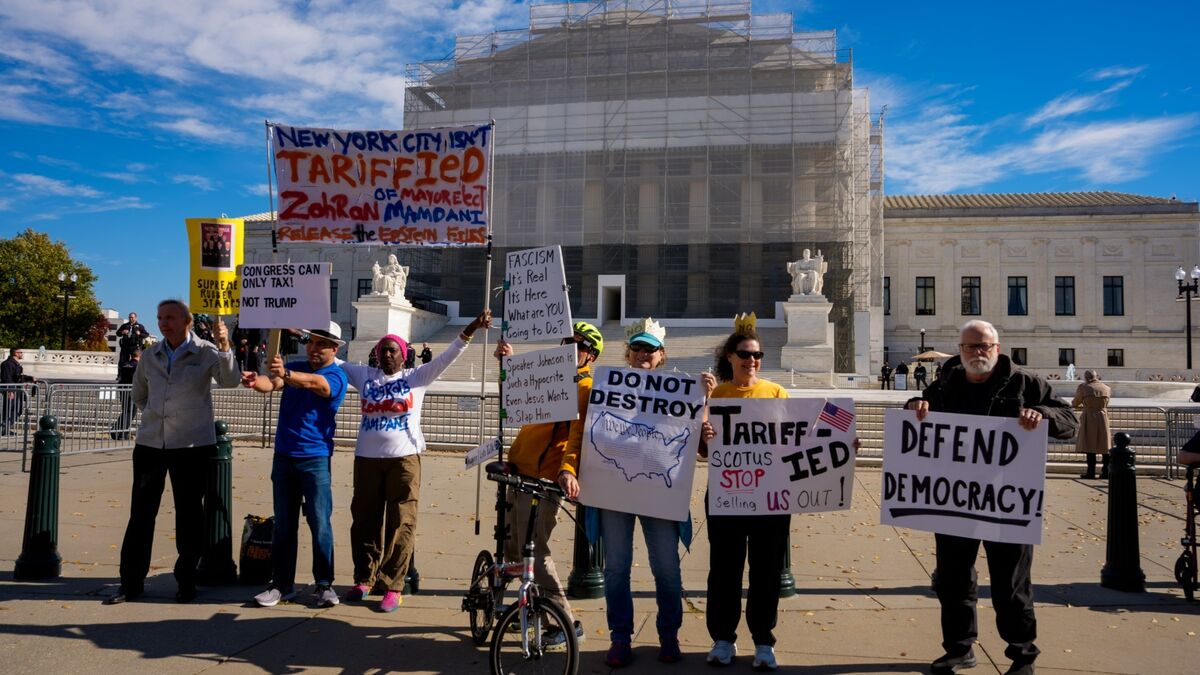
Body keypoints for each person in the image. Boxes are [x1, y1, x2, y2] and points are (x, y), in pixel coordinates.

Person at [905, 319, 1076, 675]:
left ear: (997, 348)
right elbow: (923, 409)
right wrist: (915, 405)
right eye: (971, 347)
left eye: (985, 346)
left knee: (1011, 584)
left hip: (1006, 500)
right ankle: (959, 648)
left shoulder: (1025, 382)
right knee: (953, 580)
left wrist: (1041, 413)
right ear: (961, 350)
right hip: (954, 501)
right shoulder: (947, 382)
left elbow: (1069, 420)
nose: (978, 352)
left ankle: (1022, 655)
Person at [339, 311, 492, 612]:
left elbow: (450, 355)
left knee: (401, 522)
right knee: (365, 521)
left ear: (403, 355)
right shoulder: (364, 376)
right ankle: (364, 579)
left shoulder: (416, 378)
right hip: (367, 460)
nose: (385, 354)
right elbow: (332, 360)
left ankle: (393, 584)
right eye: (382, 350)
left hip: (404, 460)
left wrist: (472, 326)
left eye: (392, 350)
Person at [560, 318, 687, 666]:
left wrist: (703, 400)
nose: (643, 354)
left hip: (657, 494)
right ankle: (620, 637)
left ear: (661, 356)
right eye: (637, 348)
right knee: (616, 568)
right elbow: (578, 432)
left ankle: (668, 634)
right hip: (614, 490)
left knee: (666, 569)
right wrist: (568, 467)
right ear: (628, 353)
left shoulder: (680, 391)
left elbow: (691, 443)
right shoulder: (604, 386)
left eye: (650, 349)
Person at [106, 299, 239, 604]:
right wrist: (157, 415)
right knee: (140, 514)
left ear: (186, 321)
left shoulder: (206, 350)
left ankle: (186, 580)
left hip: (191, 445)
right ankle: (131, 582)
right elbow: (139, 394)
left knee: (189, 515)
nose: (163, 323)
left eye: (169, 318)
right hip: (152, 443)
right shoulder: (151, 355)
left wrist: (225, 346)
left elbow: (230, 381)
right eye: (160, 318)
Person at [496, 319, 599, 646]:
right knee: (514, 549)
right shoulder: (548, 377)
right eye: (567, 342)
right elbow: (520, 408)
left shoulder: (585, 388)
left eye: (580, 345)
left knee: (535, 552)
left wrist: (568, 469)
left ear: (590, 356)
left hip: (545, 480)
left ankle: (564, 622)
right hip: (518, 471)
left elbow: (577, 437)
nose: (571, 349)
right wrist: (508, 364)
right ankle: (534, 610)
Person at [697, 317, 789, 671]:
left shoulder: (776, 392)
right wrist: (704, 435)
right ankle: (722, 639)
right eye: (745, 354)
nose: (752, 360)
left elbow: (797, 440)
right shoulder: (717, 395)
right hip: (727, 494)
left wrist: (839, 442)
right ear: (730, 357)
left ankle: (763, 641)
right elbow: (705, 452)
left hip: (769, 497)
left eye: (757, 355)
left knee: (766, 571)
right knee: (724, 570)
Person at [244, 322, 350, 609]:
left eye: (321, 344)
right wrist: (257, 381)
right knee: (285, 525)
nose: (314, 348)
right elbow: (273, 383)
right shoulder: (296, 365)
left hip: (315, 458)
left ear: (334, 349)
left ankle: (324, 585)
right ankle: (282, 584)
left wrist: (286, 373)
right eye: (312, 342)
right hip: (284, 456)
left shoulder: (336, 375)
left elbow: (317, 385)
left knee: (320, 523)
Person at [1073, 370, 1113, 479]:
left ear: (1086, 377)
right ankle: (1106, 472)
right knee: (1105, 446)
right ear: (1097, 377)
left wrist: (1083, 406)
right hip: (1103, 416)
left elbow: (1075, 403)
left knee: (1089, 445)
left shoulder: (1083, 387)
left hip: (1089, 416)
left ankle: (1090, 472)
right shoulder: (1106, 388)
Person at [1, 348, 35, 435]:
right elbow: (6, 378)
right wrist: (10, 390)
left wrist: (31, 378)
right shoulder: (7, 364)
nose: (22, 354)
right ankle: (4, 429)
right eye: (21, 352)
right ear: (16, 353)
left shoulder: (16, 364)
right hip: (12, 390)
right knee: (10, 409)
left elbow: (19, 376)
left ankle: (5, 429)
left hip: (17, 390)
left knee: (17, 410)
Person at [111, 348, 141, 440]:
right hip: (132, 391)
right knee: (130, 412)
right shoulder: (138, 366)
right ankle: (121, 433)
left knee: (126, 412)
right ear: (140, 356)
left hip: (123, 390)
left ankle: (116, 430)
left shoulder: (124, 364)